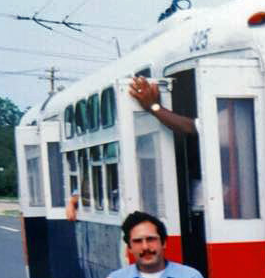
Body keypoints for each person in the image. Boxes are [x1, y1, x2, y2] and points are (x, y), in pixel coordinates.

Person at [66, 78, 198, 221]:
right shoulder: (127, 148)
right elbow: (97, 177)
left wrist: (154, 107)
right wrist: (75, 197)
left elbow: (191, 128)